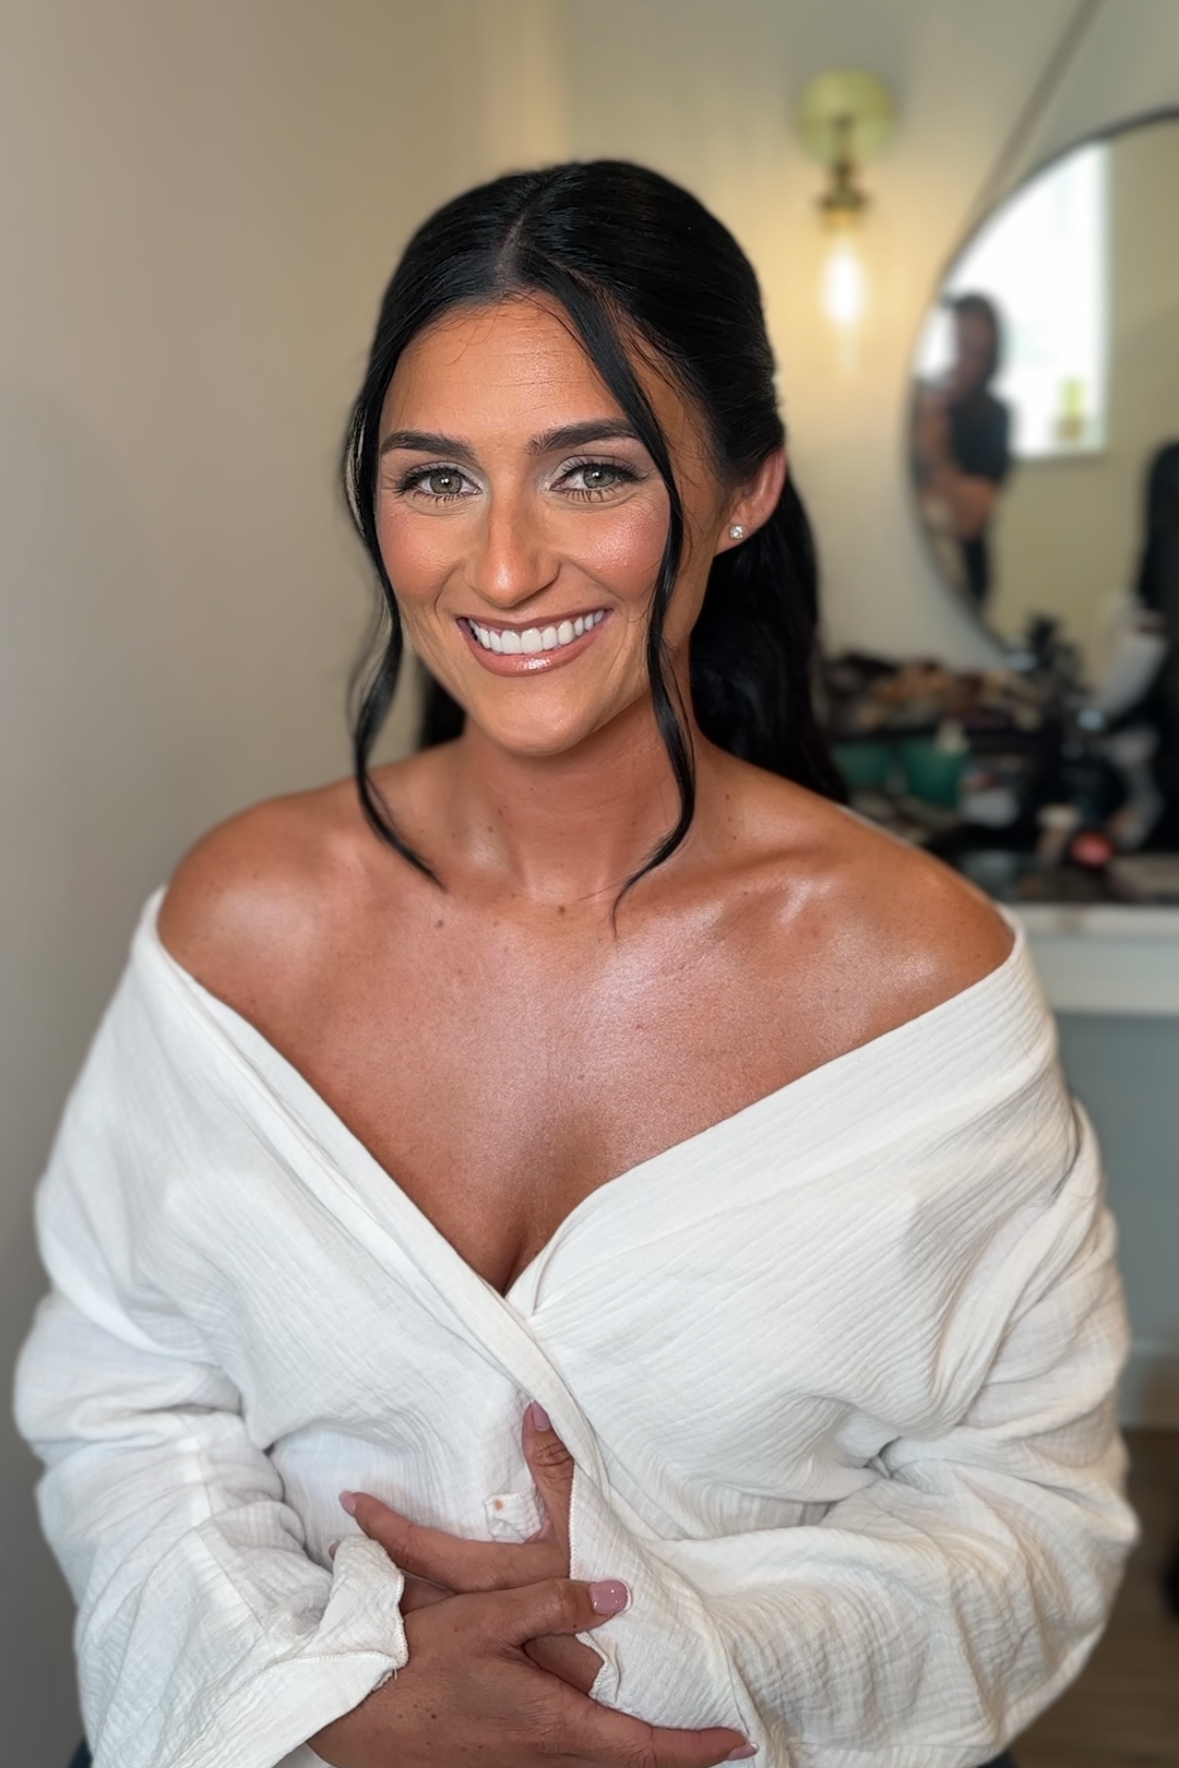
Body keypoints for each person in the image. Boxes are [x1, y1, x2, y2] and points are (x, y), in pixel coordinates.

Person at [17, 163, 1133, 1768]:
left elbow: (1024, 1504)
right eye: (435, 479)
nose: (500, 569)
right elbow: (128, 1393)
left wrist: (650, 1660)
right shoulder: (241, 925)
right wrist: (323, 1695)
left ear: (742, 489)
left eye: (590, 472)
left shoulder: (915, 981)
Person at [913, 292, 1012, 608]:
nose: (966, 363)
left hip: (963, 581)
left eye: (978, 352)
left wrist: (937, 455)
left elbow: (969, 522)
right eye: (958, 345)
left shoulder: (994, 417)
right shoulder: (915, 405)